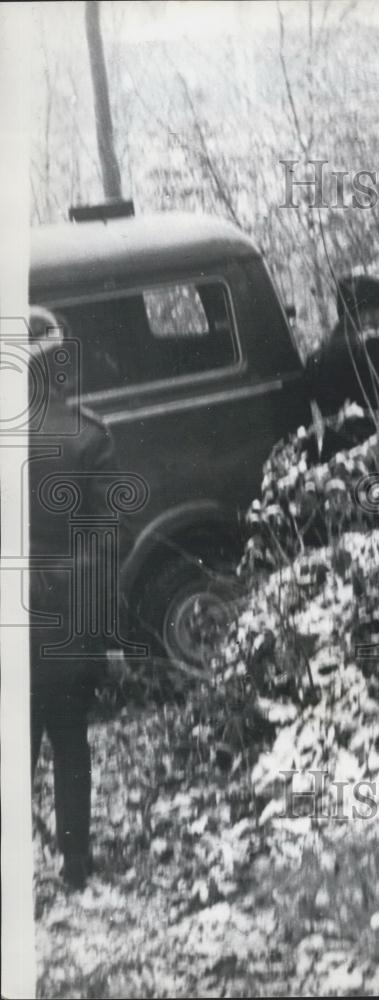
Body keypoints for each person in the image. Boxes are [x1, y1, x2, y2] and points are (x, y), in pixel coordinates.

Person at [27, 306, 117, 889]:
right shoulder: (88, 433)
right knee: (68, 741)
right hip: (64, 616)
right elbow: (105, 542)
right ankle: (76, 863)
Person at [305, 274, 379, 419]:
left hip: (333, 440)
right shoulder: (371, 346)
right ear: (367, 312)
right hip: (372, 438)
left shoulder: (316, 357)